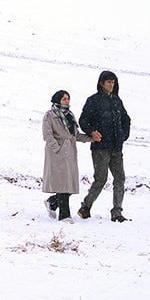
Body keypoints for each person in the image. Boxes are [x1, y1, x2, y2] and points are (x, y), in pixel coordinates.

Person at [76, 70, 131, 222]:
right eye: (108, 82)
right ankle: (85, 206)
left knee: (120, 178)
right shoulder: (93, 100)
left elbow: (126, 119)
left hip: (116, 147)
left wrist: (123, 135)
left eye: (113, 82)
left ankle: (117, 212)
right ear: (101, 83)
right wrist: (92, 132)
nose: (111, 85)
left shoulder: (117, 101)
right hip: (100, 148)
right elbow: (83, 120)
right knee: (101, 179)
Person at [42, 90, 94, 222]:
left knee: (69, 183)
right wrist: (57, 148)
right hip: (57, 154)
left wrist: (92, 138)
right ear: (57, 100)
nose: (67, 101)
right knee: (63, 184)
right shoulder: (50, 115)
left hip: (70, 152)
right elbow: (47, 135)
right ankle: (64, 215)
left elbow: (75, 135)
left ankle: (52, 202)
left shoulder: (70, 115)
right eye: (64, 99)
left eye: (68, 99)